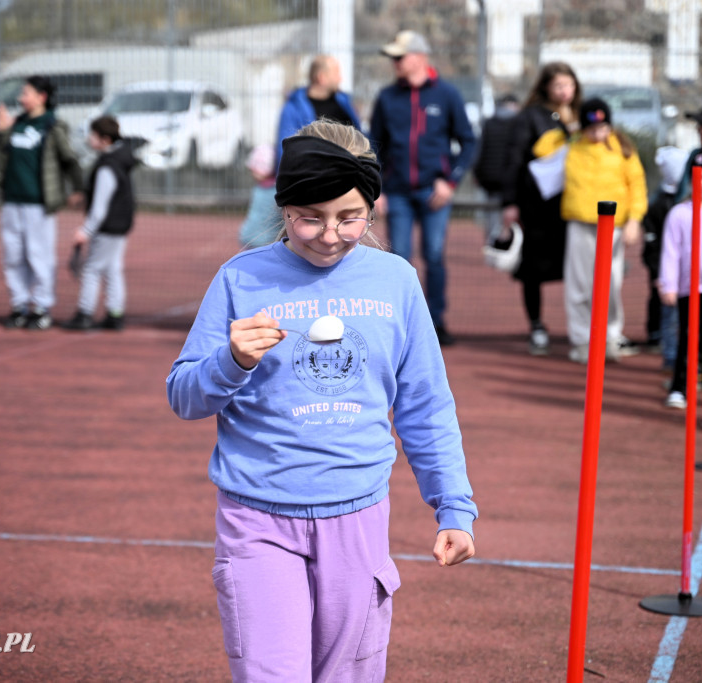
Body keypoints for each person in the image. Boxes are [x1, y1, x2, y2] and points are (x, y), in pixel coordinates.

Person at [166, 119, 477, 682]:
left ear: (372, 209)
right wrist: (229, 361)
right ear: (283, 207)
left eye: (350, 217)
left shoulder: (396, 281)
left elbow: (426, 405)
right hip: (256, 520)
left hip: (358, 523)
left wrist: (453, 505)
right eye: (310, 217)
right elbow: (184, 396)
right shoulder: (240, 279)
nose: (330, 235)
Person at [370, 30, 477, 346]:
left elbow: (468, 141)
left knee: (434, 255)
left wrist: (451, 181)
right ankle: (400, 323)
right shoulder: (387, 97)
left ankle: (436, 322)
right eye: (393, 58)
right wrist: (377, 189)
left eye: (399, 57)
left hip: (434, 192)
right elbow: (374, 146)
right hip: (397, 192)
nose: (395, 63)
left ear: (419, 57)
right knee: (399, 258)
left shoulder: (446, 94)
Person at [498, 62, 582, 355]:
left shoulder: (581, 115)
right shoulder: (530, 117)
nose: (564, 91)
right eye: (558, 85)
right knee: (533, 269)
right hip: (537, 207)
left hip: (573, 206)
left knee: (578, 270)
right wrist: (510, 202)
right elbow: (514, 160)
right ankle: (536, 326)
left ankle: (580, 329)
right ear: (546, 87)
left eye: (569, 85)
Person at [559, 98, 648, 364]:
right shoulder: (572, 144)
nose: (598, 133)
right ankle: (582, 340)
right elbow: (541, 148)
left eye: (603, 127)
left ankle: (610, 337)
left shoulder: (623, 148)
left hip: (613, 226)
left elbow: (637, 185)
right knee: (579, 285)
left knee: (610, 283)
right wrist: (568, 129)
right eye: (592, 128)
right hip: (580, 222)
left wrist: (634, 220)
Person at [0, 75, 84, 331]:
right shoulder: (17, 123)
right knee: (13, 256)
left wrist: (78, 188)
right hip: (12, 200)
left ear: (42, 97)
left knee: (39, 256)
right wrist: (2, 130)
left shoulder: (52, 125)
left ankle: (41, 308)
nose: (21, 98)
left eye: (26, 93)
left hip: (38, 204)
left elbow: (69, 159)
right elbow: (3, 154)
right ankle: (19, 306)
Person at [658, 148, 702, 410]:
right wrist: (669, 284)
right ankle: (680, 387)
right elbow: (671, 252)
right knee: (689, 340)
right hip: (691, 289)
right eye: (698, 177)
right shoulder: (679, 213)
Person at [63, 115, 138, 332]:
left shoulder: (107, 167)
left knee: (91, 269)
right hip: (119, 225)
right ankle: (115, 314)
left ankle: (84, 314)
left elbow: (100, 206)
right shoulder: (119, 159)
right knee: (113, 269)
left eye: (93, 135)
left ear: (105, 139)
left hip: (108, 227)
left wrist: (85, 230)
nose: (89, 139)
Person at [642, 146, 688, 367]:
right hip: (663, 263)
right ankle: (660, 339)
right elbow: (652, 241)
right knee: (664, 306)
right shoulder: (659, 203)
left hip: (685, 264)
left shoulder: (686, 199)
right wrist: (656, 270)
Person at [275, 54, 361, 168]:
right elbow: (286, 154)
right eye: (336, 73)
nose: (340, 79)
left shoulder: (344, 103)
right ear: (322, 77)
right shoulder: (294, 109)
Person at [473, 93, 521, 240]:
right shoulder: (519, 122)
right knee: (511, 220)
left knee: (492, 217)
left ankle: (493, 242)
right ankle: (505, 243)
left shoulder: (489, 122)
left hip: (490, 178)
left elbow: (480, 150)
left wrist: (478, 173)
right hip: (512, 179)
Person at [237, 144, 280, 249]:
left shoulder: (267, 190)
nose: (252, 173)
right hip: (261, 239)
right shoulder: (262, 188)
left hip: (258, 239)